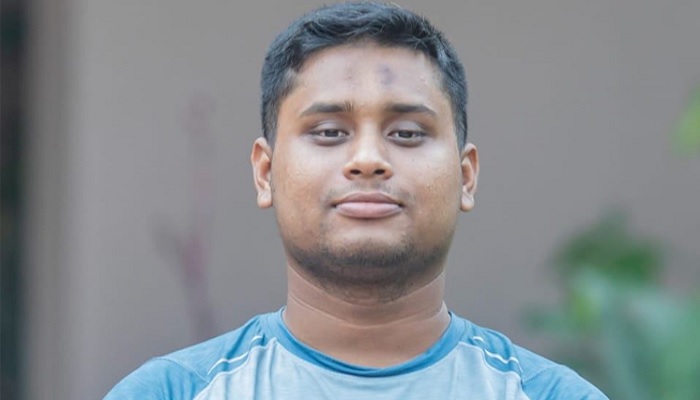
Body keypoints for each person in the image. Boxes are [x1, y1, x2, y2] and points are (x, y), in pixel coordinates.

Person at [105, 2, 608, 399]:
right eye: (329, 132)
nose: (368, 160)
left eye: (407, 133)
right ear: (265, 172)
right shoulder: (168, 393)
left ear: (466, 175)